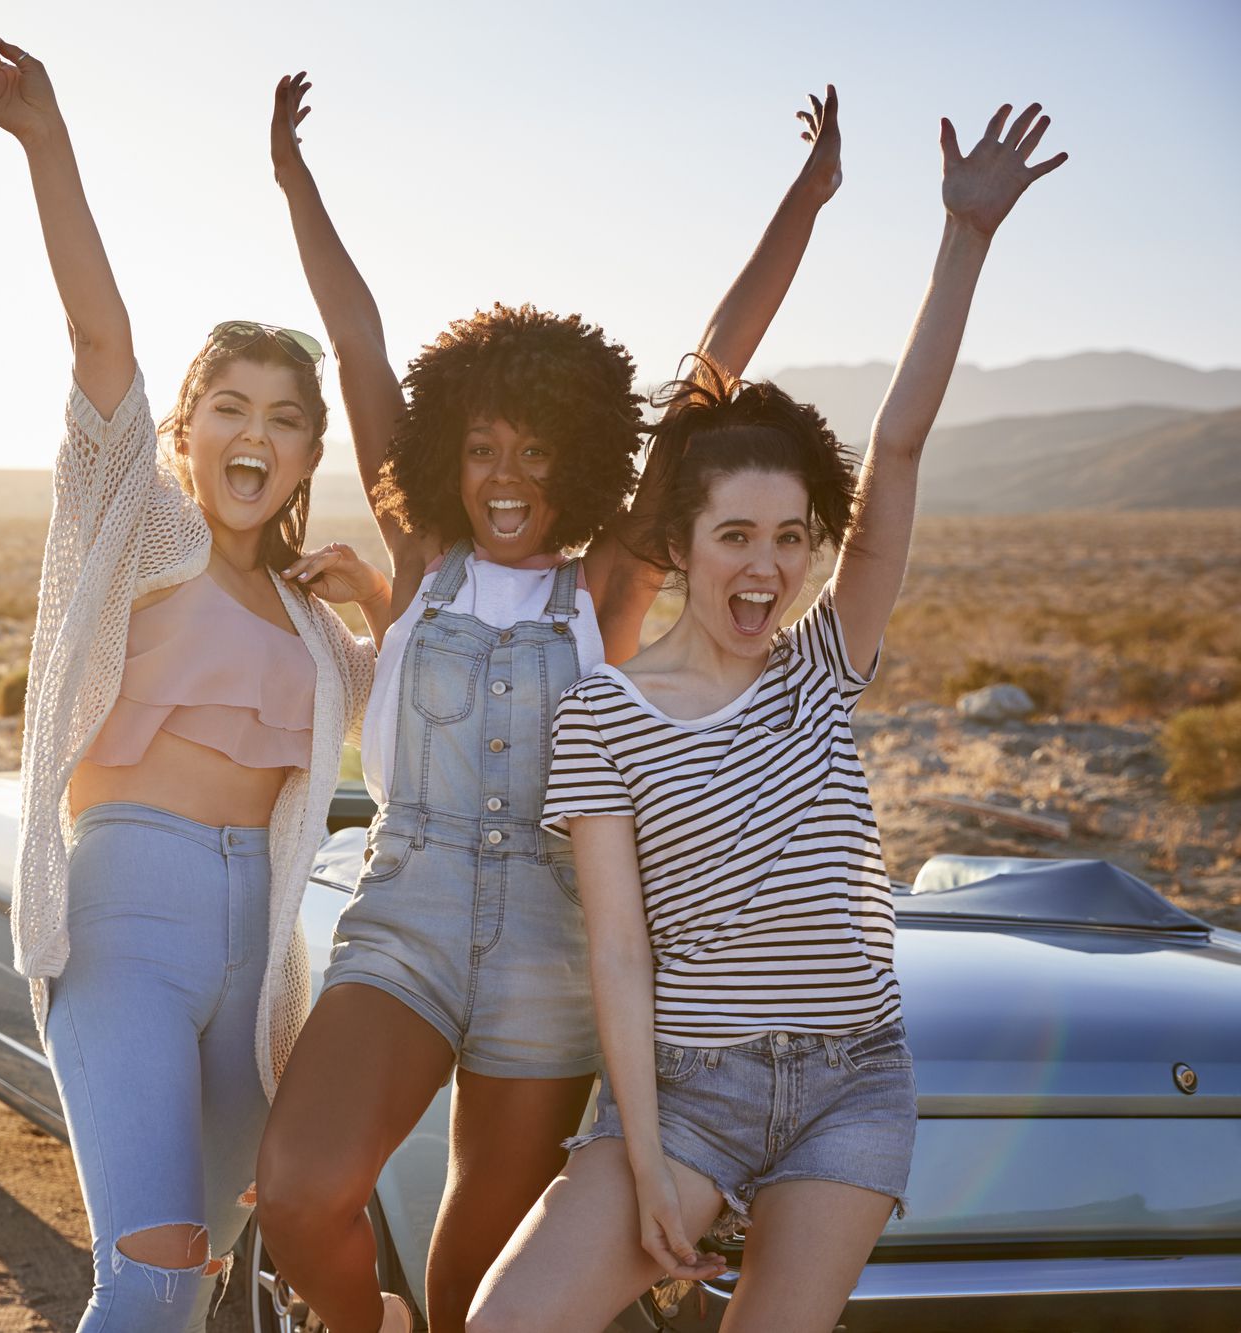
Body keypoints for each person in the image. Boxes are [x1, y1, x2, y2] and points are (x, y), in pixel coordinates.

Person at [253, 73, 845, 1333]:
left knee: (481, 1288)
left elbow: (707, 368)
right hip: (403, 919)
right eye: (479, 448)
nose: (504, 476)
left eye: (531, 450)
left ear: (569, 456)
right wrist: (294, 183)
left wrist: (808, 195)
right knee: (299, 1194)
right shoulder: (417, 558)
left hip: (552, 953)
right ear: (444, 455)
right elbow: (355, 342)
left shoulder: (608, 585)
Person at [468, 102, 1067, 1333]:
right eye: (734, 535)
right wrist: (639, 1156)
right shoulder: (603, 717)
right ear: (681, 545)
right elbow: (619, 956)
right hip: (687, 1093)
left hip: (850, 1079)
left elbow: (895, 451)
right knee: (505, 1322)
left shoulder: (819, 664)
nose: (766, 566)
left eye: (789, 538)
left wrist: (963, 240)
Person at [0, 35, 388, 1333]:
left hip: (259, 956)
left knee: (201, 1285)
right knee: (142, 1289)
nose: (255, 434)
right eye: (229, 406)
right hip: (128, 918)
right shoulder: (142, 532)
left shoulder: (315, 635)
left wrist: (376, 593)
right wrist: (46, 141)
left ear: (312, 447)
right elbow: (101, 334)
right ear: (186, 424)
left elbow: (444, 685)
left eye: (286, 416)